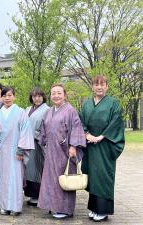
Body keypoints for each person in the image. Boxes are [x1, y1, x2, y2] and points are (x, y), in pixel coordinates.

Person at [80, 75, 125, 222]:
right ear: (92, 87)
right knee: (92, 176)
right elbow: (80, 121)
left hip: (106, 145)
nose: (99, 87)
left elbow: (116, 122)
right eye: (96, 84)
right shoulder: (86, 104)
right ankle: (94, 208)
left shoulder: (113, 104)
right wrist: (86, 134)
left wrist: (102, 136)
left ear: (107, 87)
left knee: (103, 176)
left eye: (102, 84)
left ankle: (103, 210)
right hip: (90, 146)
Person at [37, 83, 86, 219]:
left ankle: (65, 209)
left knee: (64, 179)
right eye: (53, 93)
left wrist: (73, 146)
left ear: (64, 95)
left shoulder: (71, 110)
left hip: (65, 151)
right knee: (51, 180)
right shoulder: (48, 111)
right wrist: (43, 142)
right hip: (51, 151)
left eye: (59, 93)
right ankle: (53, 206)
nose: (56, 96)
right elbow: (43, 130)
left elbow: (77, 128)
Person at [0, 87, 35, 216]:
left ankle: (16, 207)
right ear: (1, 98)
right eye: (4, 95)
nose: (7, 98)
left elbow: (26, 131)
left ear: (14, 97)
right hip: (1, 152)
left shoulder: (21, 112)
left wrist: (21, 150)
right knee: (2, 178)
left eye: (9, 95)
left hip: (16, 151)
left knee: (15, 178)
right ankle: (4, 206)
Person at [24, 87, 49, 206]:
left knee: (38, 169)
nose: (37, 98)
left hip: (38, 143)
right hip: (27, 143)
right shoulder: (28, 109)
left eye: (39, 96)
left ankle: (38, 195)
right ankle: (31, 194)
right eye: (34, 96)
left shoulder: (47, 110)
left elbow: (47, 127)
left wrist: (35, 134)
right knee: (29, 169)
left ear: (43, 97)